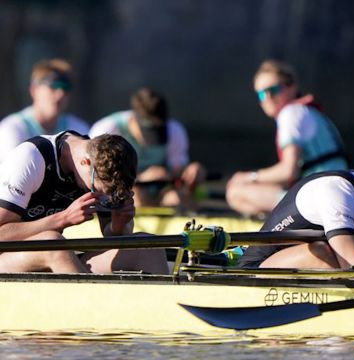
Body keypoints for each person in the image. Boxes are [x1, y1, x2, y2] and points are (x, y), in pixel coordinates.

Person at [0, 131, 168, 274]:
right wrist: (63, 218)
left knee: (147, 247)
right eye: (98, 189)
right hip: (8, 257)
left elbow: (115, 239)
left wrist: (118, 224)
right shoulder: (32, 158)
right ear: (85, 163)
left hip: (55, 254)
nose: (104, 197)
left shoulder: (100, 164)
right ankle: (92, 307)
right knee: (53, 242)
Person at [226, 60, 349, 217]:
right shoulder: (306, 111)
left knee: (235, 193)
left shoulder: (290, 113)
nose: (268, 98)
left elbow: (288, 171)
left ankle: (276, 224)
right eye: (262, 94)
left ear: (292, 87)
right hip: (337, 194)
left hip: (322, 199)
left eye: (274, 90)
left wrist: (249, 177)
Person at [90, 87, 206, 209]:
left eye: (159, 130)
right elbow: (97, 181)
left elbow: (178, 173)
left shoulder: (175, 131)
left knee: (177, 199)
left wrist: (190, 173)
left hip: (161, 192)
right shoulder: (107, 131)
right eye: (149, 131)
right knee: (136, 199)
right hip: (121, 195)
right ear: (134, 118)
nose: (153, 137)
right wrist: (140, 180)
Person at [0, 58, 90, 163]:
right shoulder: (12, 129)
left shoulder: (79, 129)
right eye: (54, 86)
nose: (60, 94)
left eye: (65, 88)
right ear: (34, 90)